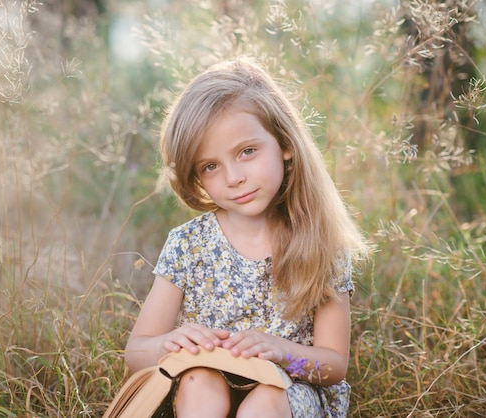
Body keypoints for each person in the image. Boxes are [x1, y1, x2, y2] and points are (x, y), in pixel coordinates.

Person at [124, 57, 368, 418]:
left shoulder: (322, 245)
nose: (233, 177)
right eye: (211, 166)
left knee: (264, 402)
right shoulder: (188, 244)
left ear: (285, 144)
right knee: (199, 383)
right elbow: (135, 353)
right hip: (204, 391)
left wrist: (283, 352)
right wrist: (166, 344)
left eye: (247, 152)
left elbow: (333, 367)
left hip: (286, 395)